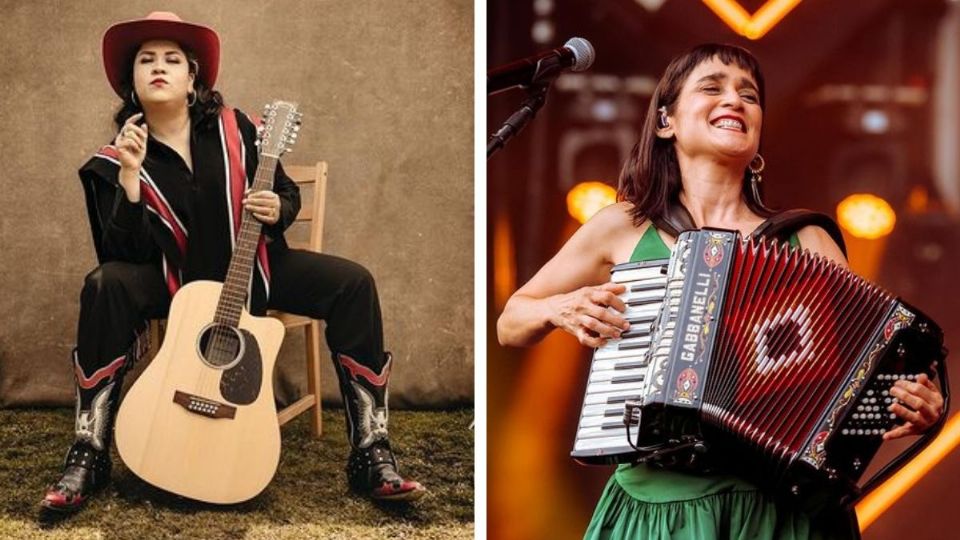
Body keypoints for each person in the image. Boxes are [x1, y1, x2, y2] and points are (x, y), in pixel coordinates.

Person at [497, 43, 944, 539]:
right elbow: (511, 321)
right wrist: (561, 307)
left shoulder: (805, 240)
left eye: (748, 95)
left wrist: (909, 401)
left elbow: (858, 378)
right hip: (654, 505)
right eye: (712, 87)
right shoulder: (621, 226)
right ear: (666, 121)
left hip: (769, 512)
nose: (734, 100)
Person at [40, 11, 425, 518]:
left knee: (353, 283)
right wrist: (131, 181)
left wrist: (278, 208)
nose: (159, 67)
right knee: (104, 285)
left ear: (192, 77)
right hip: (173, 282)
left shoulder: (239, 128)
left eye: (172, 59)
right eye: (146, 60)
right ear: (130, 83)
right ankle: (90, 451)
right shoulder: (111, 161)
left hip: (257, 268)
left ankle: (371, 451)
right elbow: (122, 256)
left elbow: (284, 192)